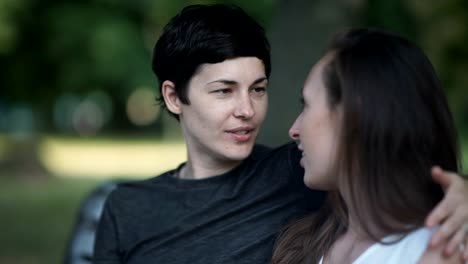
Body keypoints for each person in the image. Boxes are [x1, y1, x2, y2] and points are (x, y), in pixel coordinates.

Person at [93, 5, 468, 264]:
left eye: (258, 89)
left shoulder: (298, 171)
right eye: (224, 91)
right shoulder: (127, 208)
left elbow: (391, 155)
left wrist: (464, 193)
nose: (247, 109)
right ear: (174, 97)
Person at [272, 28, 467, 264]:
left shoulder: (440, 249)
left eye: (307, 105)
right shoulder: (303, 243)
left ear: (354, 115)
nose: (294, 129)